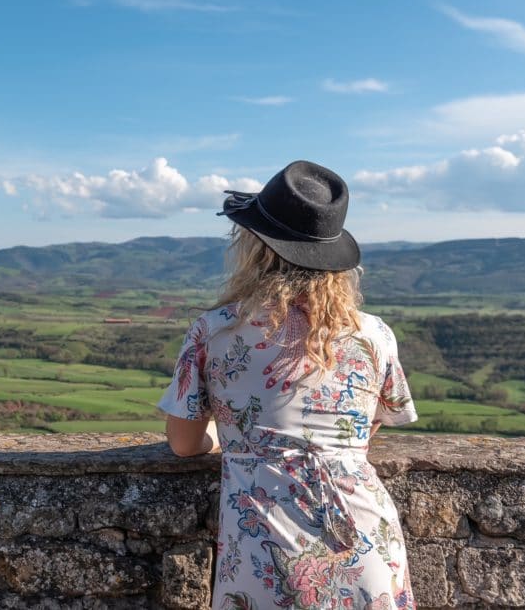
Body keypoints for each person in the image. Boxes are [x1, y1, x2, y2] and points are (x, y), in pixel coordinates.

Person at [157, 160, 418, 610]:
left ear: (256, 249)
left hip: (265, 548)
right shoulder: (375, 334)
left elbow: (184, 444)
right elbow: (367, 428)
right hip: (367, 540)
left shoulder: (216, 332)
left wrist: (231, 437)